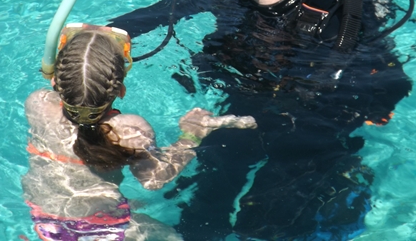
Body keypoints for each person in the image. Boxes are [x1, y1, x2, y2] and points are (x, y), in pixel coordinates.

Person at [107, 0, 414, 240]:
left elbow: (390, 82)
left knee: (268, 224)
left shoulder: (336, 14)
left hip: (308, 124)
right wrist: (93, 40)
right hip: (241, 107)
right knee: (203, 211)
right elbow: (144, 19)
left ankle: (343, 176)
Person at [21, 24, 257, 241]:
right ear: (121, 90)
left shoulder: (37, 104)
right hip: (104, 227)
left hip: (45, 220)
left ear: (54, 81)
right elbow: (155, 179)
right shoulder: (129, 129)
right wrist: (191, 135)